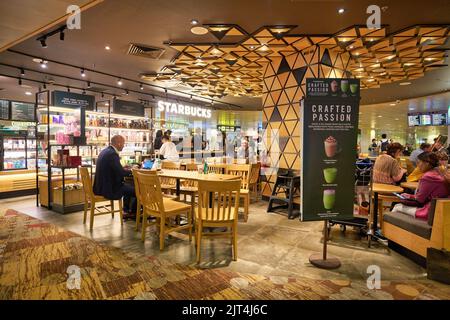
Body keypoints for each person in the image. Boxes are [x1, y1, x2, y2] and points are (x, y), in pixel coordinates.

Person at [391, 152, 450, 220]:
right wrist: (409, 196)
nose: (418, 166)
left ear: (426, 163)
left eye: (419, 162)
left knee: (397, 206)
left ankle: (387, 230)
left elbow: (419, 201)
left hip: (429, 212)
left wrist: (404, 199)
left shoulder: (428, 176)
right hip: (442, 210)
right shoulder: (441, 173)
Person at [93, 135, 136, 219]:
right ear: (119, 143)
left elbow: (114, 169)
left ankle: (127, 210)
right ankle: (133, 213)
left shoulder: (105, 151)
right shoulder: (112, 154)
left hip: (100, 187)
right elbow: (121, 173)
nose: (124, 145)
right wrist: (132, 171)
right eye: (123, 143)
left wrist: (124, 168)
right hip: (109, 189)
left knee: (129, 186)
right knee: (138, 191)